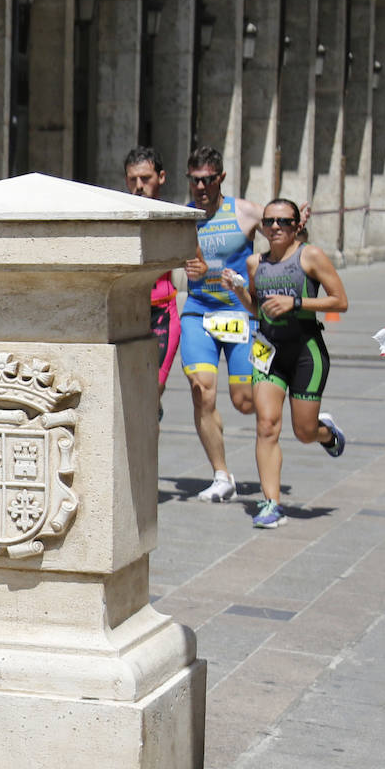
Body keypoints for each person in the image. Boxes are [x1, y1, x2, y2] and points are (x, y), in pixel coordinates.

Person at [222, 198, 347, 529]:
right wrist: (237, 290)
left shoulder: (311, 256)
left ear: (296, 226)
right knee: (266, 425)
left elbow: (340, 300)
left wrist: (297, 302)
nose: (276, 227)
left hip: (306, 350)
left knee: (304, 431)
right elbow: (256, 310)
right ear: (262, 227)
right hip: (267, 350)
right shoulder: (254, 263)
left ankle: (326, 434)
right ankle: (271, 503)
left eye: (284, 222)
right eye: (270, 222)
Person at [179, 146, 262, 502]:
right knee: (202, 390)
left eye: (208, 180)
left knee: (245, 401)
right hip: (198, 312)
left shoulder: (244, 212)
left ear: (221, 178)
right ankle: (221, 475)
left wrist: (296, 223)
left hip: (240, 317)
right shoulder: (183, 218)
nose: (201, 187)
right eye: (195, 180)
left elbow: (283, 231)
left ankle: (300, 406)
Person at [123, 147, 181, 410]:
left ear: (161, 177)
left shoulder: (172, 218)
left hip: (161, 314)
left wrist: (199, 270)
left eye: (145, 179)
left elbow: (198, 261)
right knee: (125, 388)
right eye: (132, 179)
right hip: (127, 311)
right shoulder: (120, 216)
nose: (138, 186)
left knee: (152, 388)